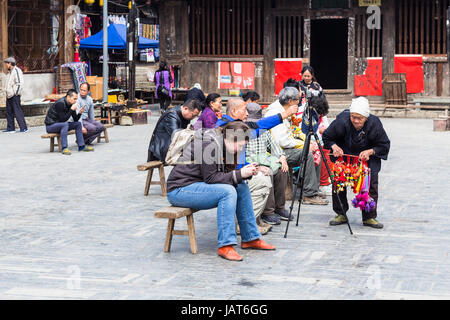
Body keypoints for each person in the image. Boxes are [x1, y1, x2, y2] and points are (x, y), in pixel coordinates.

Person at [166, 121, 276, 261]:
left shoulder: (225, 146)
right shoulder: (209, 145)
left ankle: (250, 238)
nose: (241, 149)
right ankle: (225, 245)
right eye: (240, 145)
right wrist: (240, 174)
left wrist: (246, 172)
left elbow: (224, 175)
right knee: (227, 191)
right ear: (230, 139)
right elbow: (211, 178)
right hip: (180, 190)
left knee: (241, 187)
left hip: (197, 185)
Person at [323, 97, 390, 229]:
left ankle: (369, 216)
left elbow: (384, 145)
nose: (356, 121)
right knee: (338, 185)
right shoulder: (342, 120)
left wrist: (370, 151)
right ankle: (341, 213)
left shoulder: (374, 123)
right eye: (353, 117)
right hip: (345, 158)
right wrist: (334, 146)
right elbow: (327, 136)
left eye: (360, 118)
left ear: (366, 117)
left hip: (366, 161)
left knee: (370, 186)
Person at [264, 87, 328, 205]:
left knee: (316, 150)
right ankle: (308, 194)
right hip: (277, 152)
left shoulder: (287, 110)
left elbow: (295, 132)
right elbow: (282, 141)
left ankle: (313, 188)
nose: (299, 103)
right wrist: (305, 145)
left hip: (287, 147)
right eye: (297, 100)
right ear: (290, 101)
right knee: (307, 154)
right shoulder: (276, 113)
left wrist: (308, 142)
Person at [216, 97, 298, 170]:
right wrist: (285, 114)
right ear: (233, 111)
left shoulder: (233, 125)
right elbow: (260, 126)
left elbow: (259, 125)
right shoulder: (227, 128)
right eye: (244, 110)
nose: (247, 114)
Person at [245, 103, 290, 227]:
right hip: (250, 162)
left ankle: (279, 207)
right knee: (267, 173)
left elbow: (275, 146)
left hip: (265, 159)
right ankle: (267, 212)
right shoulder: (241, 130)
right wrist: (257, 166)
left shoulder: (264, 129)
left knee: (282, 170)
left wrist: (282, 157)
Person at [44, 89, 94, 155]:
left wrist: (80, 113)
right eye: (74, 99)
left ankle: (81, 146)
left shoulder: (71, 104)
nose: (75, 101)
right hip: (51, 126)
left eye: (76, 99)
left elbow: (75, 119)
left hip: (60, 125)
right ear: (68, 97)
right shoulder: (60, 103)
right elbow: (63, 119)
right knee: (65, 124)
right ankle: (64, 148)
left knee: (78, 124)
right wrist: (71, 110)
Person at [3, 57, 28, 133]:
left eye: (7, 63)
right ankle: (11, 128)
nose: (6, 65)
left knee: (17, 111)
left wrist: (15, 93)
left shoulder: (17, 71)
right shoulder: (10, 72)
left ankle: (23, 128)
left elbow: (19, 83)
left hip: (14, 95)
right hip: (9, 95)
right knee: (9, 112)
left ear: (10, 63)